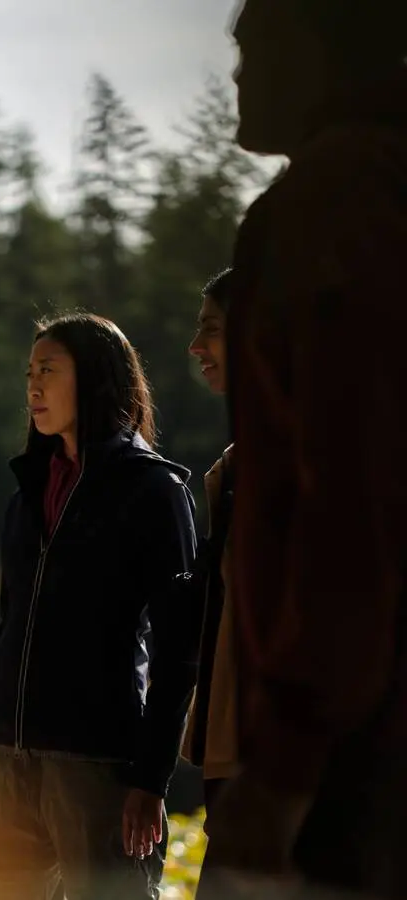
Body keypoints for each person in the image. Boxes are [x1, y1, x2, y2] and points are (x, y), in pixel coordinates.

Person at [206, 1, 407, 896]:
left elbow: (353, 490)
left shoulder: (335, 206)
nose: (238, 77)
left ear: (322, 47)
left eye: (253, 49)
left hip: (357, 755)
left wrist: (288, 750)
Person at [0, 312, 198, 900]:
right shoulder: (27, 496)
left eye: (49, 370)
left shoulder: (154, 491)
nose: (33, 386)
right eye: (29, 373)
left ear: (94, 378)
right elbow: (7, 630)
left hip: (99, 764)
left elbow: (179, 650)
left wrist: (150, 780)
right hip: (16, 763)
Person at [181, 269, 239, 889]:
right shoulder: (233, 467)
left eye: (212, 330)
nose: (196, 347)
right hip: (234, 761)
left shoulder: (315, 461)